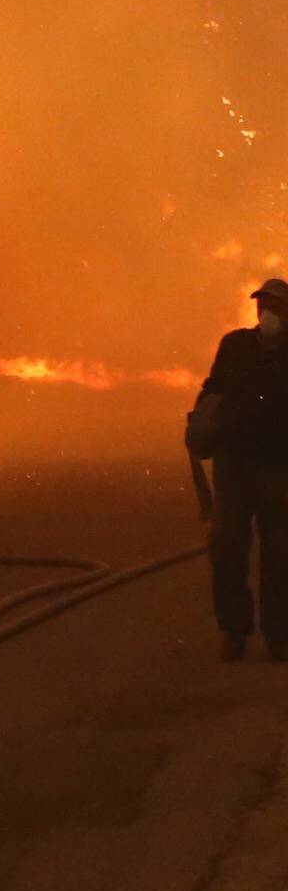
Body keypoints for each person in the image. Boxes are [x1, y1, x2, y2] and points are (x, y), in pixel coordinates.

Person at [191, 278, 288, 662]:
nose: (267, 312)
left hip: (280, 467)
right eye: (262, 305)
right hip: (234, 465)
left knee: (280, 557)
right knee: (227, 547)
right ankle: (234, 629)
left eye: (276, 306)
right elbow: (213, 389)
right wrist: (200, 425)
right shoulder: (235, 345)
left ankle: (279, 636)